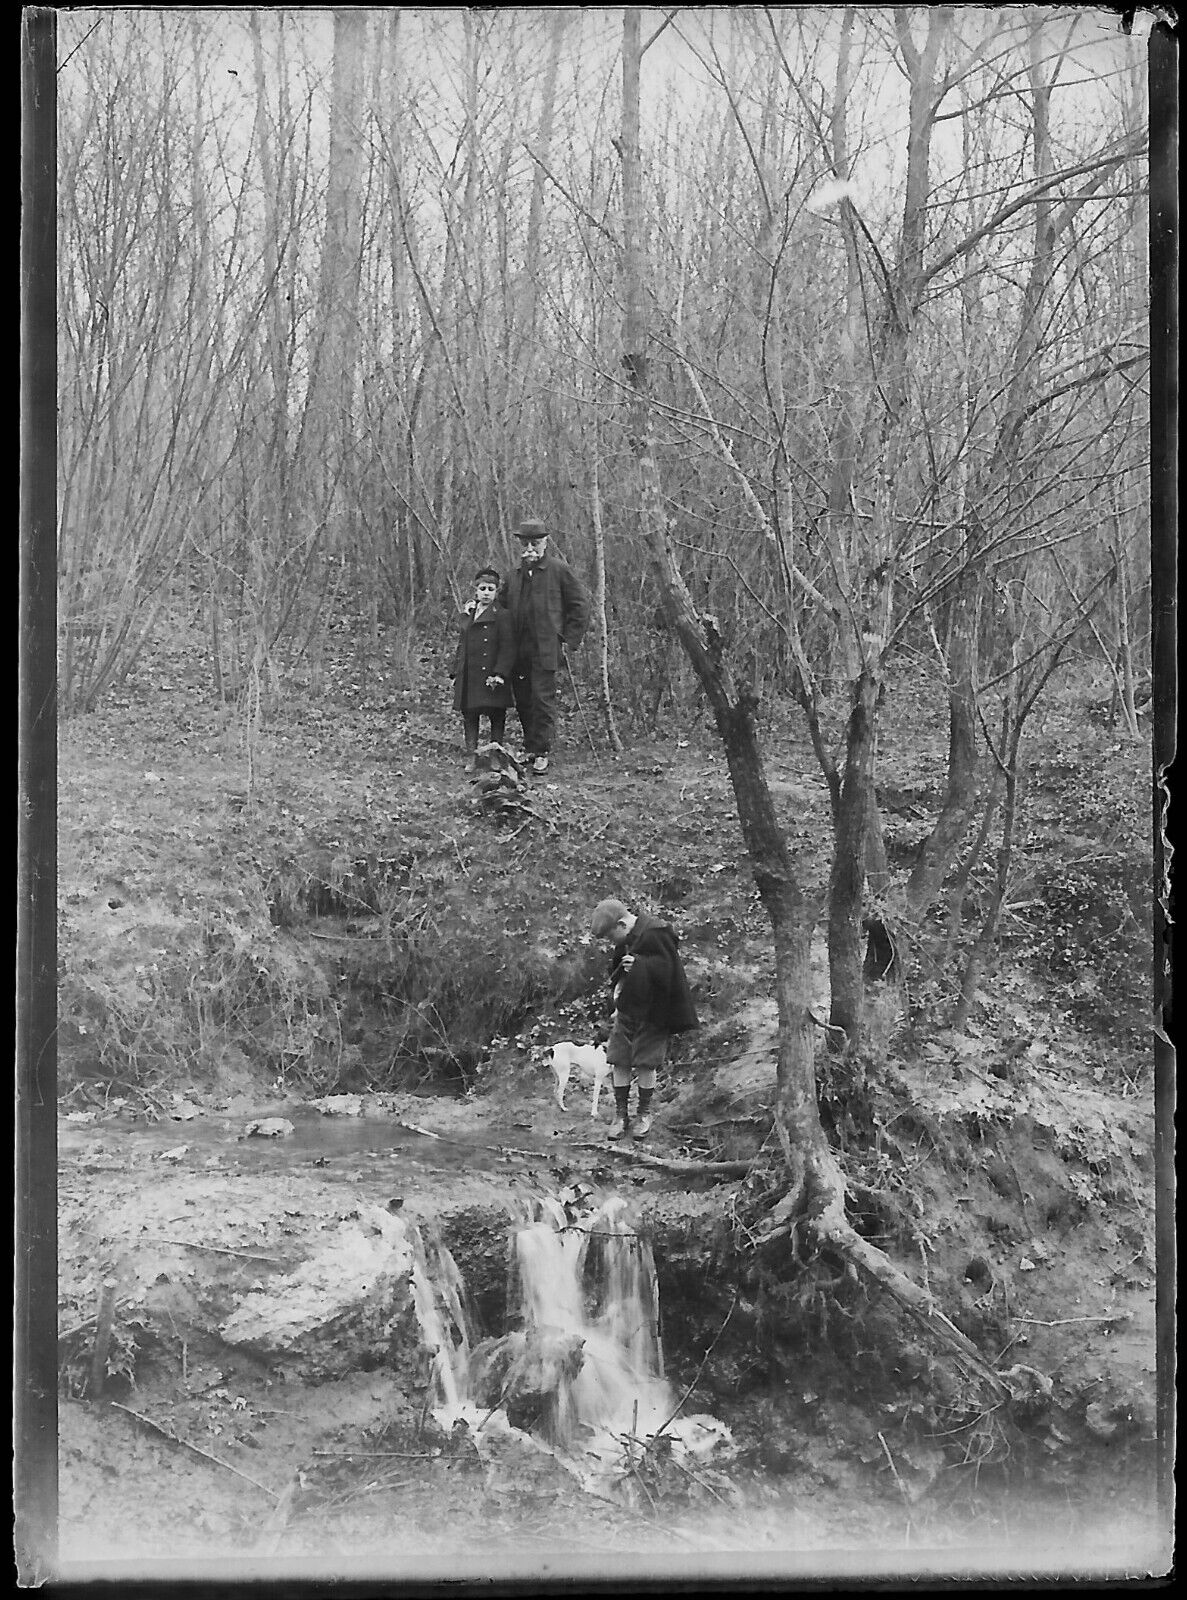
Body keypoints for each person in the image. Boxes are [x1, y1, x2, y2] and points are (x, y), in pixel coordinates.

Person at [589, 897, 699, 1140]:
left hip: (653, 1013)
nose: (611, 942)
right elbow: (618, 972)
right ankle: (621, 1115)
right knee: (619, 1059)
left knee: (646, 1063)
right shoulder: (625, 940)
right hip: (627, 1010)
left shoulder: (656, 932)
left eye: (610, 936)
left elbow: (668, 971)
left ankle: (644, 1114)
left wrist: (639, 964)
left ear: (621, 924)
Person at [501, 517, 590, 775]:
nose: (530, 548)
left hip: (546, 647)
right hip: (518, 648)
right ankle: (530, 747)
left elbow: (580, 606)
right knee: (524, 699)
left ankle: (541, 751)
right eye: (525, 543)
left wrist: (568, 640)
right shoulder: (514, 575)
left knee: (543, 699)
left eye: (535, 543)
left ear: (545, 543)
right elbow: (503, 607)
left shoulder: (559, 570)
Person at [450, 566, 515, 771]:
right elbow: (462, 643)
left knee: (496, 715)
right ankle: (472, 755)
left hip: (492, 674)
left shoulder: (502, 615)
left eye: (491, 589)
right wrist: (455, 671)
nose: (486, 593)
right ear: (475, 590)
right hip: (470, 673)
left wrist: (500, 673)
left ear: (496, 592)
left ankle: (496, 755)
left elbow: (508, 647)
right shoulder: (468, 613)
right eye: (482, 588)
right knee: (470, 715)